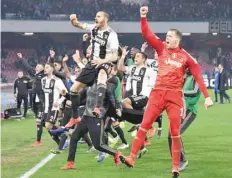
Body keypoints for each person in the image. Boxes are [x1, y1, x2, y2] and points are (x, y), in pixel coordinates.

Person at [119, 6, 213, 178]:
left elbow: (198, 75)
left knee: (175, 133)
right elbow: (147, 34)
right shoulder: (161, 48)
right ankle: (131, 158)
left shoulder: (186, 57)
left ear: (177, 40)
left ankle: (175, 167)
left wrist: (207, 97)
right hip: (157, 94)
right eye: (166, 36)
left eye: (169, 36)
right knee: (144, 126)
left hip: (174, 97)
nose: (166, 38)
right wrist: (143, 17)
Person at [68, 11, 119, 127]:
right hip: (92, 63)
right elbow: (78, 25)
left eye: (98, 16)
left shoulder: (112, 35)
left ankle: (97, 107)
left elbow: (115, 56)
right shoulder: (93, 28)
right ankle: (75, 117)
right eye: (95, 16)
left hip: (105, 62)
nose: (95, 18)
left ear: (105, 19)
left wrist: (102, 61)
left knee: (102, 75)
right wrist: (73, 20)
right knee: (74, 89)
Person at [60, 79, 122, 170]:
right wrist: (66, 95)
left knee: (98, 145)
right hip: (85, 117)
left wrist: (118, 109)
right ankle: (70, 163)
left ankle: (116, 154)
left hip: (96, 118)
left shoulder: (107, 86)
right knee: (74, 137)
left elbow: (114, 100)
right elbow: (78, 98)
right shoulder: (89, 84)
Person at [168, 69, 201, 172]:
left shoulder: (196, 78)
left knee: (175, 133)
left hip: (190, 111)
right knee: (170, 134)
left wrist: (181, 92)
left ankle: (182, 161)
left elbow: (195, 92)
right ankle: (176, 161)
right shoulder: (186, 77)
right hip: (182, 110)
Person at [16, 53, 45, 147]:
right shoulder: (35, 74)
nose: (37, 67)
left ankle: (38, 141)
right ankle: (59, 132)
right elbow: (28, 67)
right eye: (37, 66)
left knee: (39, 121)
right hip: (34, 102)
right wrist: (22, 58)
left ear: (43, 69)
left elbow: (51, 69)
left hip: (42, 102)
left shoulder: (44, 76)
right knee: (42, 123)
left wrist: (52, 58)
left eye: (39, 66)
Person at [42, 63, 68, 145]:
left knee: (48, 125)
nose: (45, 69)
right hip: (46, 107)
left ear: (52, 69)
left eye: (47, 67)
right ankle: (61, 142)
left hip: (54, 107)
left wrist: (59, 102)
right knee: (47, 126)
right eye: (45, 67)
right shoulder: (43, 80)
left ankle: (66, 134)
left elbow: (65, 93)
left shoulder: (57, 80)